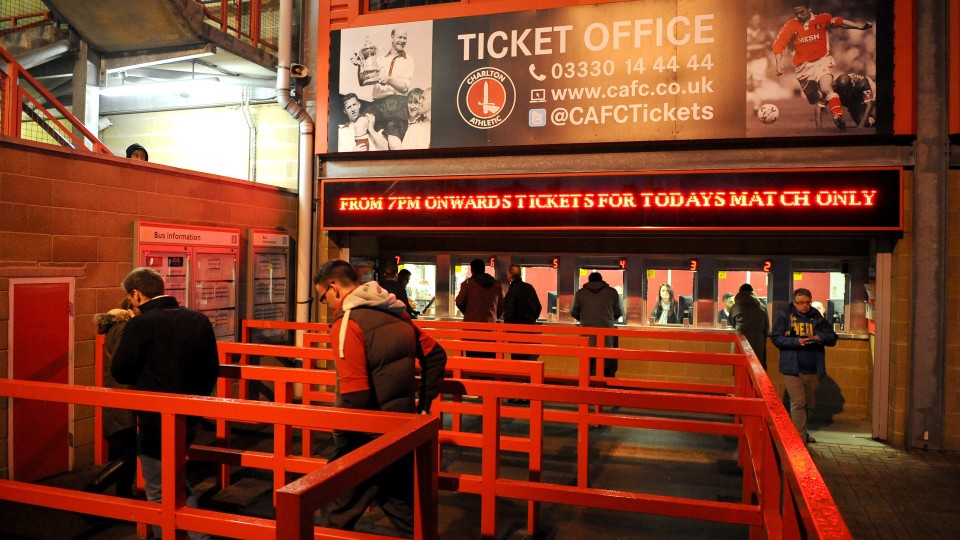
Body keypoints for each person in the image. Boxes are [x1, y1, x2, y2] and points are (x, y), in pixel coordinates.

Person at [313, 259, 446, 534]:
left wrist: (341, 437)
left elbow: (355, 395)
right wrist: (423, 405)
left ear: (334, 288)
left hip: (366, 438)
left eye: (322, 296)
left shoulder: (347, 323)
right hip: (400, 429)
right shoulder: (398, 313)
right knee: (404, 512)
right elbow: (436, 355)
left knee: (334, 508)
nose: (325, 302)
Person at [111, 267, 220, 540]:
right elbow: (211, 368)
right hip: (191, 414)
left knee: (159, 487)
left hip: (154, 419)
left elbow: (121, 371)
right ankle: (199, 535)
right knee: (174, 479)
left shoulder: (141, 324)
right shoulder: (198, 319)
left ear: (136, 295)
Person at [773, 2, 873, 133]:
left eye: (802, 12)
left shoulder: (823, 19)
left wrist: (859, 27)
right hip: (803, 68)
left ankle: (838, 116)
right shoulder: (790, 25)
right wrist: (778, 64)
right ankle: (824, 96)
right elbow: (779, 45)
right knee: (813, 99)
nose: (799, 15)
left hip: (822, 62)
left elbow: (840, 22)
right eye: (796, 13)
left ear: (809, 9)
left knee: (828, 89)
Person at [84, 298, 138, 498]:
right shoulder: (124, 330)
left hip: (119, 396)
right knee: (129, 454)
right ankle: (91, 493)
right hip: (124, 397)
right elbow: (122, 364)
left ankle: (123, 494)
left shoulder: (115, 329)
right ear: (130, 309)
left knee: (126, 451)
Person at [771, 288, 838, 444]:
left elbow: (832, 338)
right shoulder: (785, 317)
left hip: (812, 368)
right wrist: (796, 341)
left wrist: (820, 336)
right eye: (801, 303)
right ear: (794, 303)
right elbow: (776, 338)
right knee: (799, 403)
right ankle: (798, 439)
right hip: (792, 368)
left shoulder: (817, 317)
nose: (805, 306)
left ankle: (801, 431)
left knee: (809, 406)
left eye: (808, 302)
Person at [571, 272, 623, 378]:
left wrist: (585, 319)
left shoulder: (580, 293)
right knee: (604, 362)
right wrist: (608, 320)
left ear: (589, 280)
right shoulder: (612, 292)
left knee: (587, 362)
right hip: (606, 335)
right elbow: (618, 312)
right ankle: (603, 386)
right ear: (601, 280)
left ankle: (586, 385)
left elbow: (574, 312)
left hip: (587, 335)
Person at [503, 264, 542, 362]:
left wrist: (507, 328)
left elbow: (509, 313)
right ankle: (529, 376)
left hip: (516, 332)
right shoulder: (529, 287)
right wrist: (531, 320)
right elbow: (538, 307)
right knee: (528, 358)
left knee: (517, 359)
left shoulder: (511, 292)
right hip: (530, 330)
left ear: (509, 275)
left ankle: (519, 376)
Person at [729, 283, 771, 370]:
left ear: (739, 293)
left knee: (740, 369)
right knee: (756, 370)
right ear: (753, 292)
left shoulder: (735, 307)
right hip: (758, 342)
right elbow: (766, 325)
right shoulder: (762, 307)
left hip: (741, 341)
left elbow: (732, 322)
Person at [456, 258, 504, 324]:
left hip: (471, 324)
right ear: (484, 269)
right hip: (491, 324)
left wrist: (468, 313)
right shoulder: (497, 285)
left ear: (472, 270)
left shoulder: (467, 284)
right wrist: (493, 315)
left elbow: (459, 302)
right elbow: (502, 305)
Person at [746, 13, 775, 114]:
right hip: (747, 61)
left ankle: (756, 106)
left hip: (760, 60)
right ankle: (753, 96)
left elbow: (771, 45)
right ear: (750, 21)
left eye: (758, 19)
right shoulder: (745, 32)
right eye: (754, 19)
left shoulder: (764, 33)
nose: (756, 22)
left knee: (756, 84)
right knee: (749, 86)